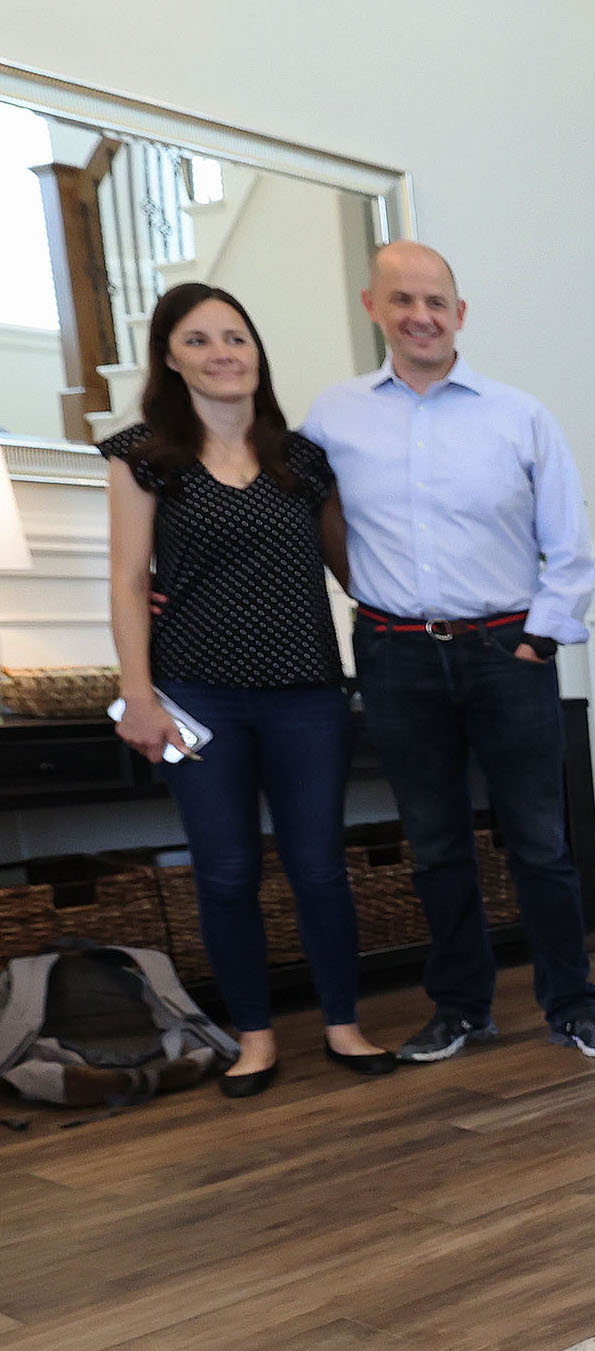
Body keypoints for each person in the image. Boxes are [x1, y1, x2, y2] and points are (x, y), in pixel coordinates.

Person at [302, 242, 595, 1063]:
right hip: (394, 655)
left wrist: (537, 640)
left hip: (504, 649)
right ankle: (460, 1009)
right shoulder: (331, 418)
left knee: (540, 842)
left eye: (436, 301)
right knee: (436, 844)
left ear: (460, 312)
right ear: (372, 306)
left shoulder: (518, 415)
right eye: (402, 299)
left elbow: (569, 542)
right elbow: (297, 516)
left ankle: (572, 1006)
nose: (421, 315)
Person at [106, 283, 397, 1098]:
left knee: (320, 868)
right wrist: (138, 694)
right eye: (198, 340)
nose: (222, 353)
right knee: (226, 873)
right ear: (169, 356)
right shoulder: (141, 456)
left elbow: (352, 569)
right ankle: (256, 1037)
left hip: (306, 692)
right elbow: (129, 581)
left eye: (235, 337)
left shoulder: (301, 458)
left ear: (257, 352)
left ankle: (343, 1023)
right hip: (198, 697)